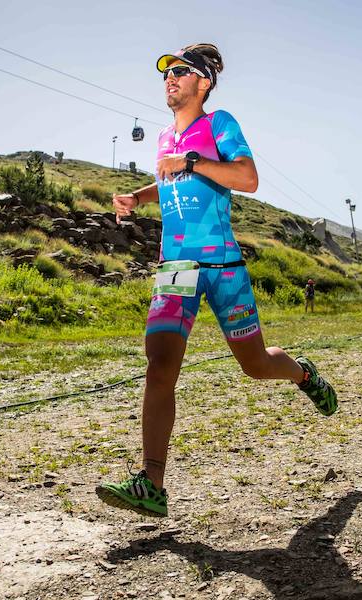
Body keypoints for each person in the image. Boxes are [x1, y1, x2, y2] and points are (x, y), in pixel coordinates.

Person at [96, 44, 338, 518]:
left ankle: (303, 372)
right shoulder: (164, 136)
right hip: (176, 269)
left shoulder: (219, 124)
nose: (169, 78)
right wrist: (138, 197)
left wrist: (190, 162)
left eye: (180, 72)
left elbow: (247, 178)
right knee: (159, 366)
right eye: (165, 72)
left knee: (255, 365)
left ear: (202, 82)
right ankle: (151, 483)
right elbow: (169, 180)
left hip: (223, 267)